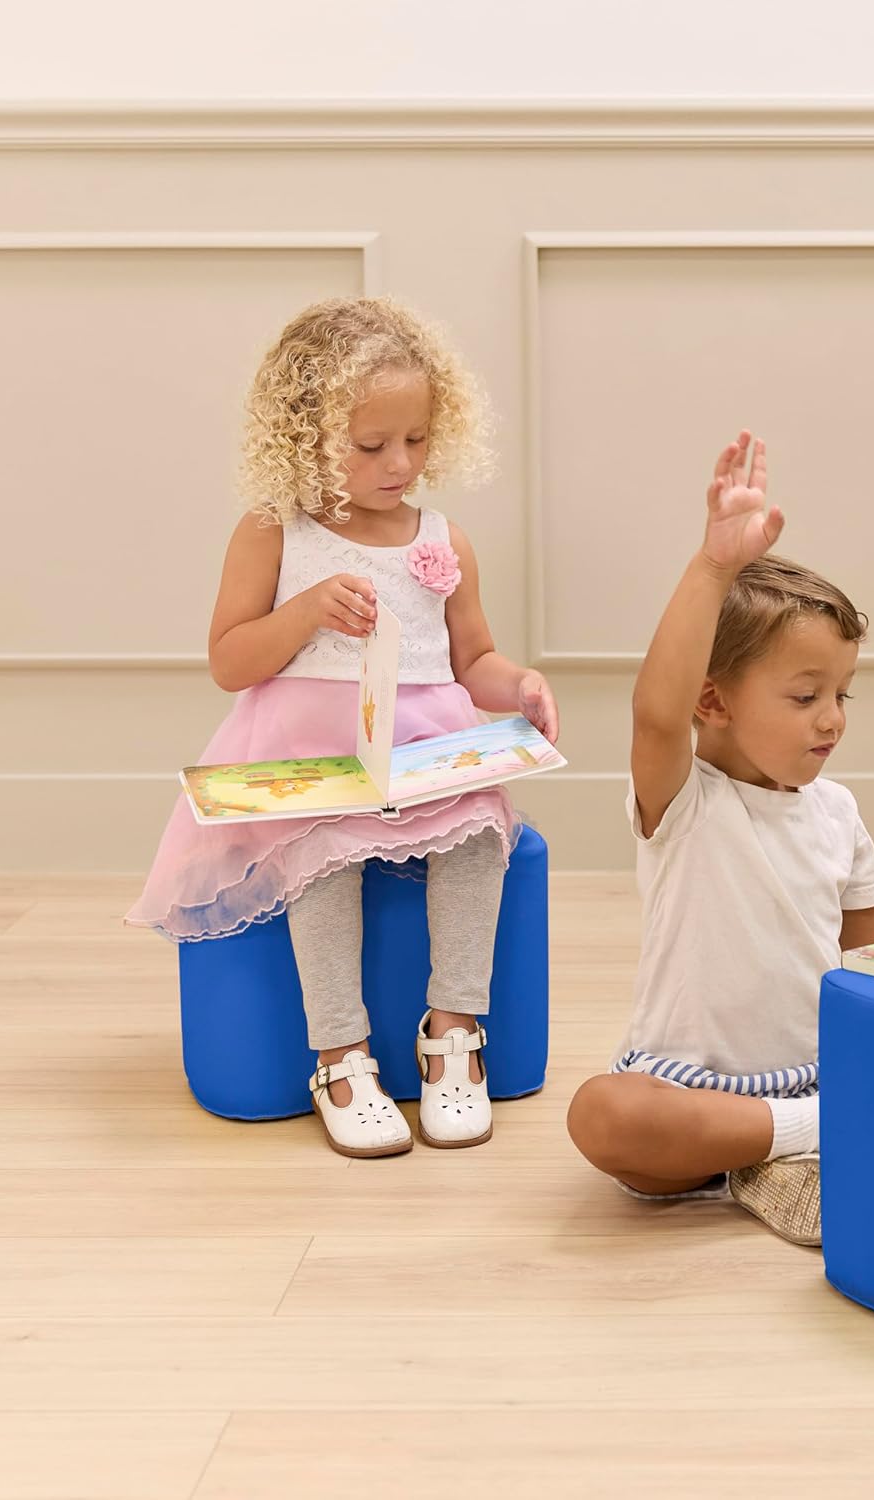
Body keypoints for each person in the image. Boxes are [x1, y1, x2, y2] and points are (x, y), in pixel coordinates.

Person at [127, 297, 558, 1159]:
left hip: (426, 757)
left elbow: (473, 658)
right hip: (309, 761)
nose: (400, 463)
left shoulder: (445, 540)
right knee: (321, 859)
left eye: (417, 439)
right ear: (307, 434)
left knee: (478, 839)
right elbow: (230, 660)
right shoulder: (272, 533)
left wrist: (519, 685)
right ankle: (342, 1054)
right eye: (371, 446)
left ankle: (453, 1032)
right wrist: (306, 611)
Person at [567, 431, 874, 1244]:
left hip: (817, 1075)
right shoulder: (685, 803)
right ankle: (796, 1145)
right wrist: (714, 567)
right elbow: (654, 711)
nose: (833, 719)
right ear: (713, 702)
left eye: (844, 694)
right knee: (602, 1117)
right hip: (691, 1090)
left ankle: (776, 1154)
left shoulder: (839, 815)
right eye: (807, 695)